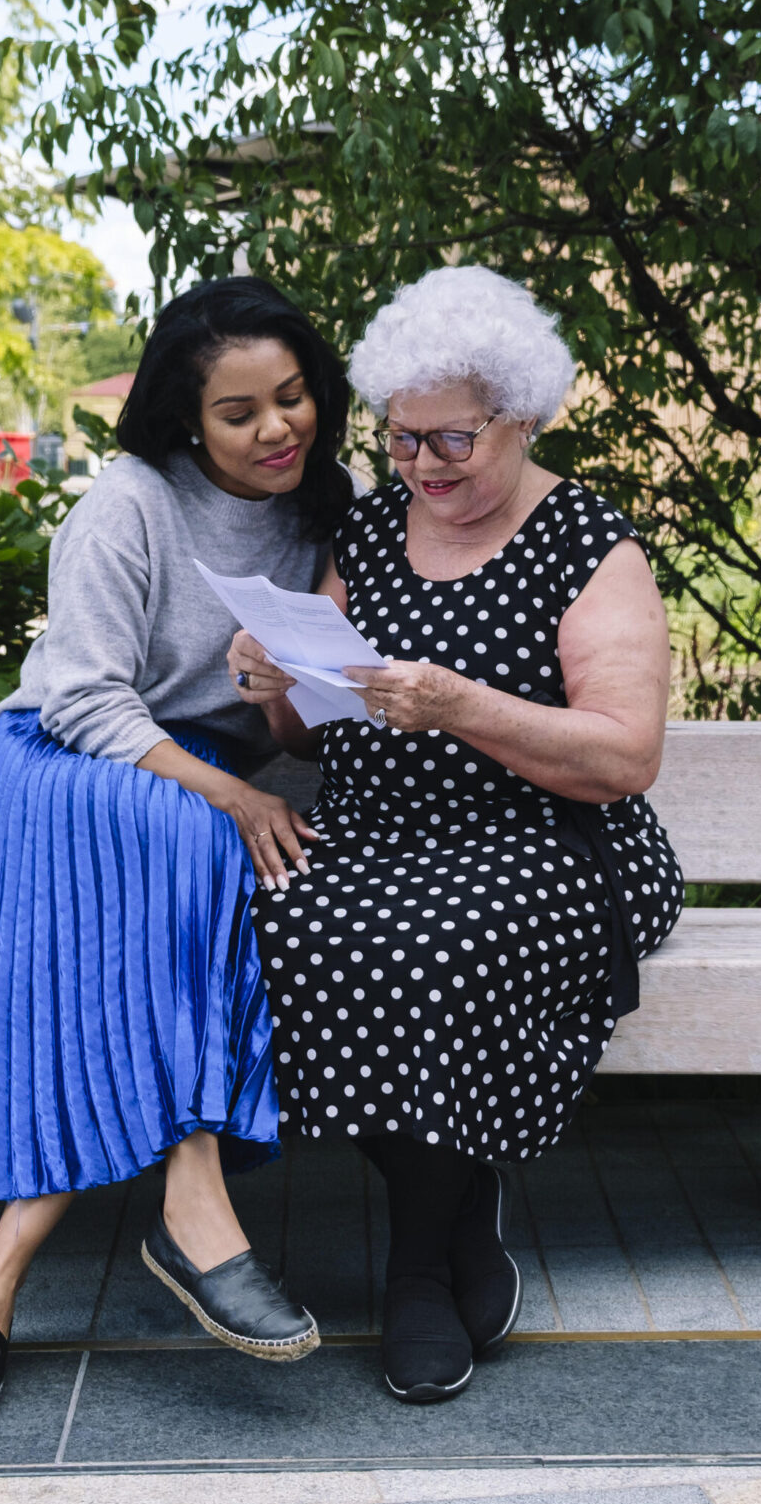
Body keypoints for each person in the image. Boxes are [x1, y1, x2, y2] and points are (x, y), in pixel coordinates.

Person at [0, 277, 356, 1422]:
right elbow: (79, 699)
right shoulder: (127, 504)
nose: (278, 427)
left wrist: (285, 717)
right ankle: (194, 1214)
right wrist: (227, 790)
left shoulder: (336, 503)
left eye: (293, 395)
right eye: (239, 412)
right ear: (185, 419)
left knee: (133, 934)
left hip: (193, 799)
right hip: (64, 772)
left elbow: (331, 691)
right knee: (190, 839)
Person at [231, 265, 683, 1404]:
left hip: (553, 841)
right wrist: (271, 682)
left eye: (452, 443)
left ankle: (420, 1271)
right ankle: (462, 1216)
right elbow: (313, 715)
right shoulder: (374, 530)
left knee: (437, 943)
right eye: (402, 442)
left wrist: (462, 706)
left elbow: (624, 755)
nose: (424, 467)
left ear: (520, 420)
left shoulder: (590, 544)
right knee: (275, 921)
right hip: (379, 830)